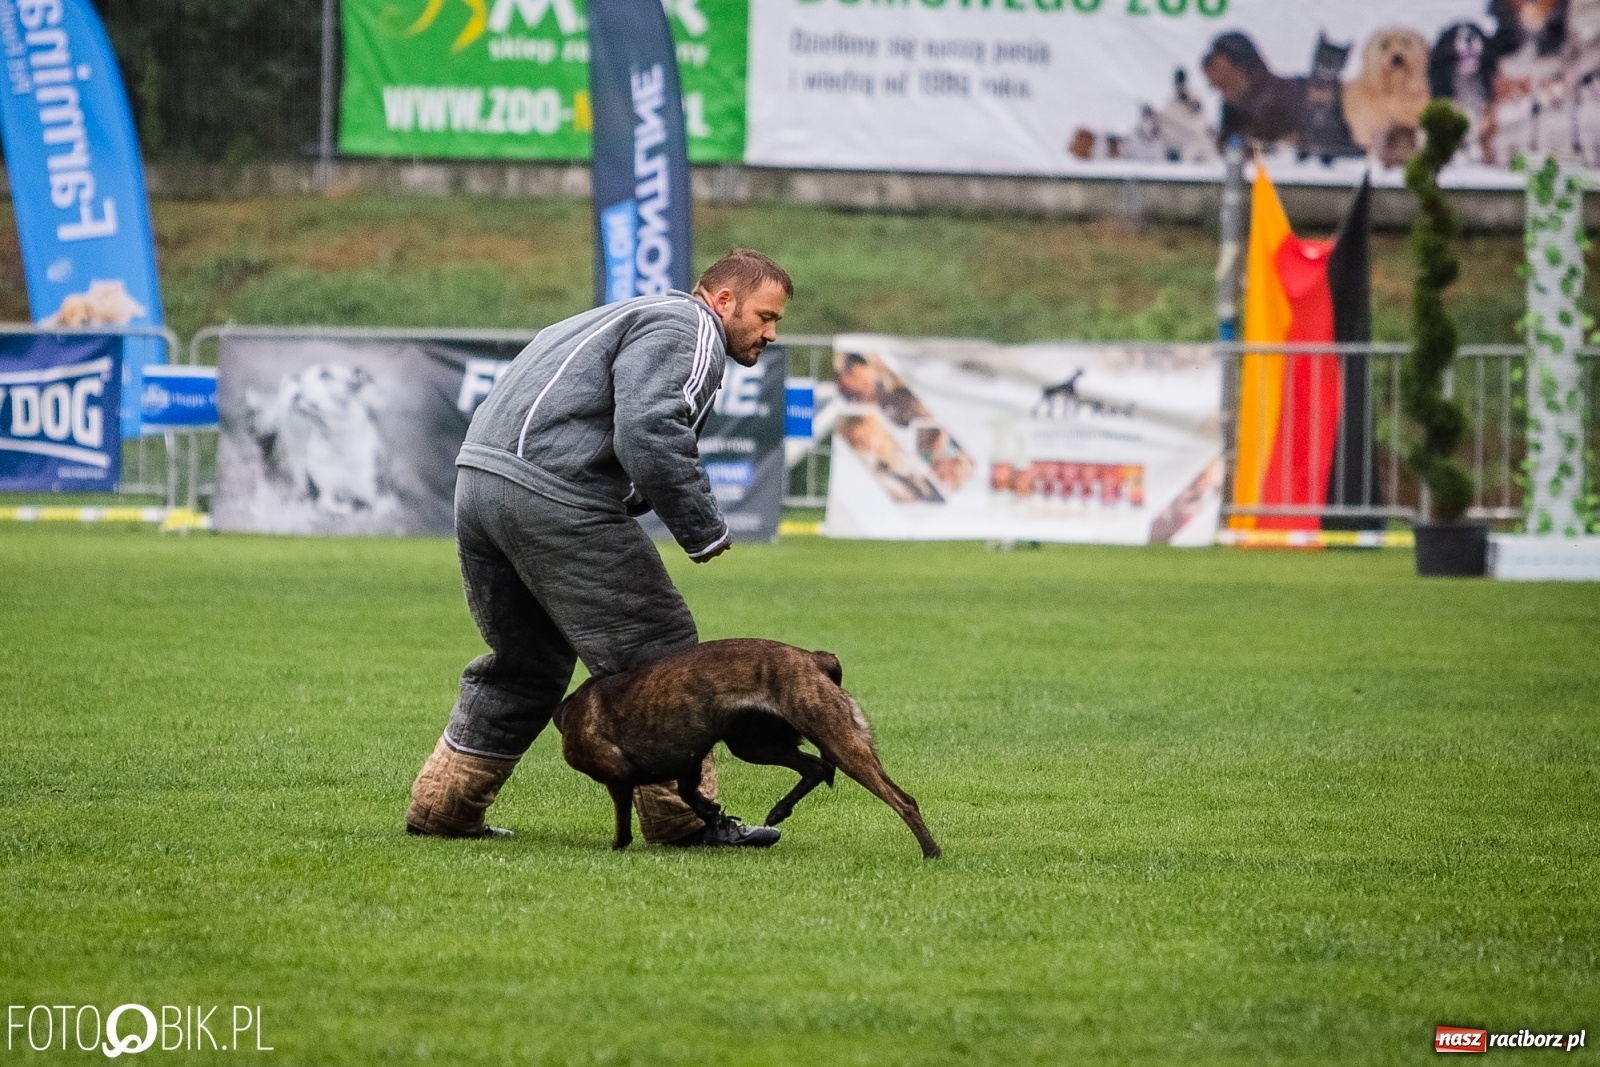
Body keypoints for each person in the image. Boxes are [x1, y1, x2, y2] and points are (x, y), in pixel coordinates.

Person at [405, 249, 793, 847]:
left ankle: (444, 808)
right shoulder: (690, 328)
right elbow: (650, 428)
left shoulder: (617, 316)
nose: (770, 334)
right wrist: (702, 526)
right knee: (660, 653)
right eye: (765, 317)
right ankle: (682, 819)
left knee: (526, 664)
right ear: (723, 301)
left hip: (480, 483)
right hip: (553, 492)